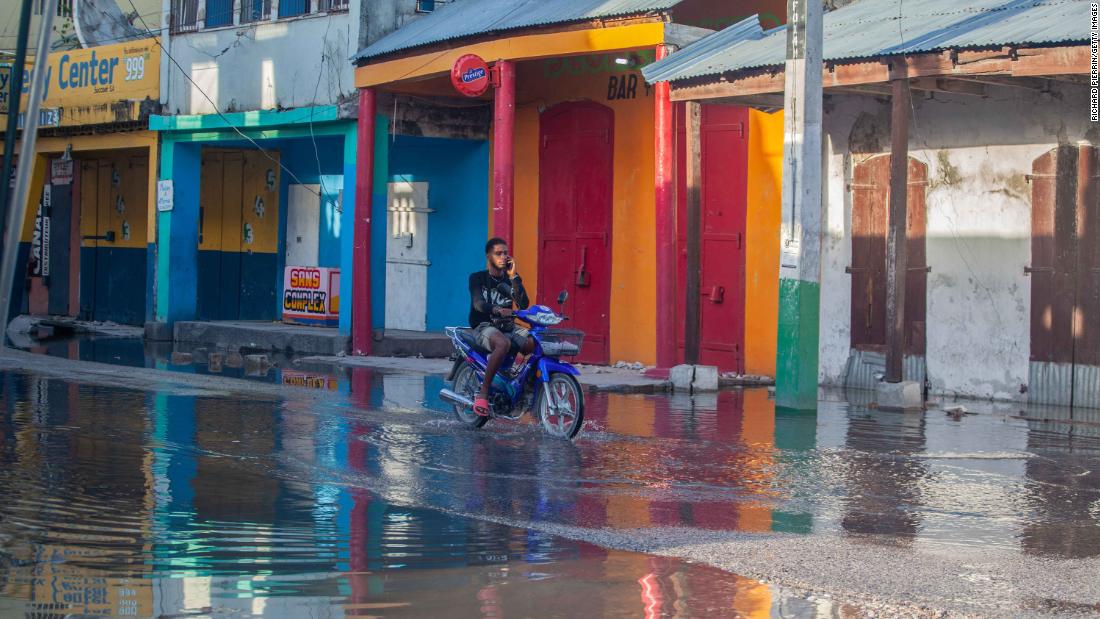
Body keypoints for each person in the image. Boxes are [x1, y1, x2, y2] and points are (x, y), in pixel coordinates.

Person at [468, 237, 535, 417]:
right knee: (503, 344)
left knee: (534, 342)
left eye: (505, 253)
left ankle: (525, 387)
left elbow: (523, 303)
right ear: (488, 256)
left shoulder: (510, 279)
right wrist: (496, 309)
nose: (503, 257)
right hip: (484, 326)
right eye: (498, 253)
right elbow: (478, 303)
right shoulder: (477, 278)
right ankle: (483, 392)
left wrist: (514, 276)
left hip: (507, 326)